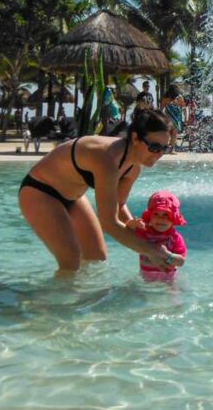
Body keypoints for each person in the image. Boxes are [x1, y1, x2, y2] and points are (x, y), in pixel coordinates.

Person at [18, 108, 177, 275]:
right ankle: (55, 300)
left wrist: (139, 230)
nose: (159, 154)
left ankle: (84, 298)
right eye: (154, 147)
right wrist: (150, 250)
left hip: (73, 197)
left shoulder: (133, 167)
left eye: (164, 148)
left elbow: (119, 204)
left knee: (97, 257)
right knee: (71, 260)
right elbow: (109, 222)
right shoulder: (106, 159)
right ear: (136, 138)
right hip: (40, 191)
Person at [134, 190, 187, 283]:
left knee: (173, 295)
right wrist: (131, 224)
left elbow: (181, 262)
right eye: (156, 214)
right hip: (146, 277)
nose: (160, 218)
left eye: (166, 215)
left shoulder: (175, 238)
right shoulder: (144, 231)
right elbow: (128, 237)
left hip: (169, 278)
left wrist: (166, 254)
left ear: (174, 218)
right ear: (150, 216)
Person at [161, 83, 186, 153]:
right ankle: (171, 148)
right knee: (174, 133)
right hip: (176, 118)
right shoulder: (179, 97)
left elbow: (161, 108)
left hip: (169, 117)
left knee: (170, 133)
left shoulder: (166, 98)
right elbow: (183, 108)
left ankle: (170, 148)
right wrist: (186, 118)